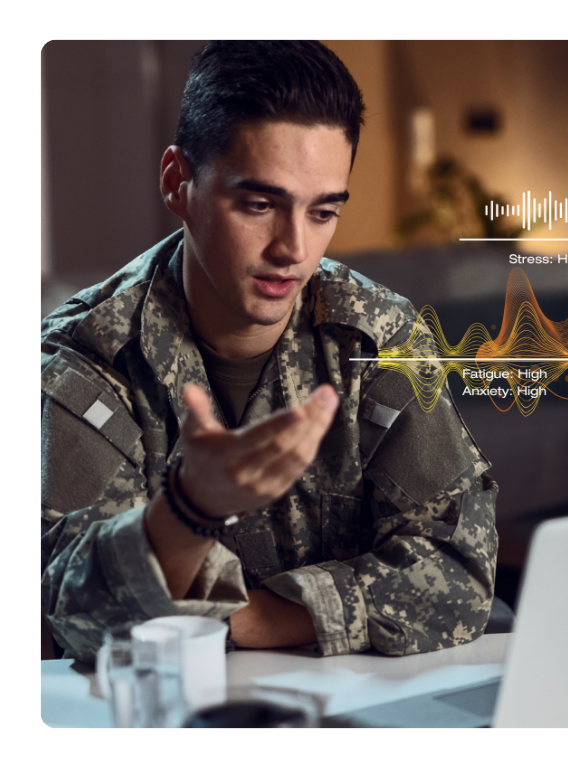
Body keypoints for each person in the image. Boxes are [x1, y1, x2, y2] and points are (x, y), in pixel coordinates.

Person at [40, 39, 498, 664]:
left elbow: (459, 572)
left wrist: (244, 619)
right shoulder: (91, 353)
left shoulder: (376, 332)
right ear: (179, 183)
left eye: (323, 212)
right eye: (260, 204)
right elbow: (73, 611)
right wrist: (188, 509)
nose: (293, 248)